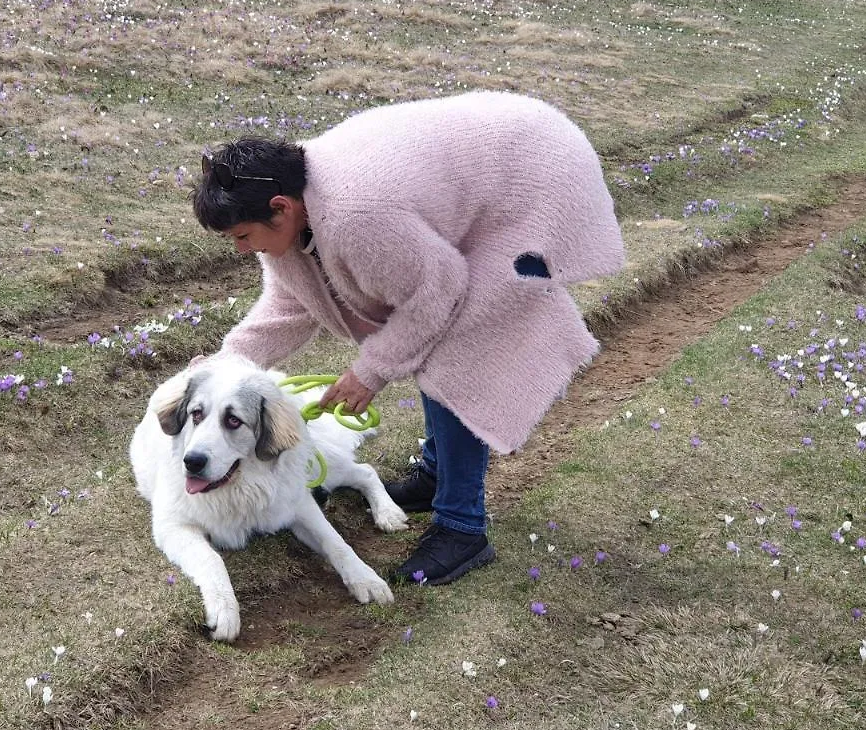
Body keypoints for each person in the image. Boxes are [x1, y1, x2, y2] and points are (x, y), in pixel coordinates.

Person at [191, 90, 625, 585]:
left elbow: (439, 293)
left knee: (449, 356)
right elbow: (289, 306)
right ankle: (438, 476)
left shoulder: (357, 217)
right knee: (426, 340)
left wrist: (368, 373)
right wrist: (224, 368)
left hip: (532, 174)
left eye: (243, 236)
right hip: (472, 178)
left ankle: (462, 528)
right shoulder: (291, 210)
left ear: (281, 208)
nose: (242, 250)